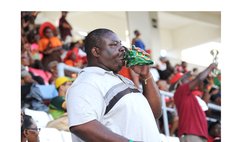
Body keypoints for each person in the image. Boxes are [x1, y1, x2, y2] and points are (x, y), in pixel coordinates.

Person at [66, 28, 162, 142]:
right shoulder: (86, 82)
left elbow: (154, 113)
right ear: (96, 52)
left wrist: (146, 75)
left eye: (121, 44)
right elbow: (83, 126)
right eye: (114, 44)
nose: (122, 48)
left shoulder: (123, 80)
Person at [173, 63, 217, 142]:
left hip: (200, 135)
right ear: (180, 82)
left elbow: (204, 105)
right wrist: (211, 67)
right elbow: (199, 78)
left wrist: (207, 88)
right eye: (187, 78)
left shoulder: (190, 96)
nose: (190, 80)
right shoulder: (181, 91)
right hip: (191, 135)